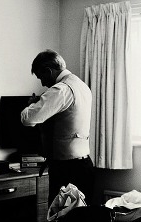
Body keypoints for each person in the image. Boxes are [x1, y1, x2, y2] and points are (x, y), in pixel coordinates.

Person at [21, 50, 95, 207]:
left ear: (48, 71)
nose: (42, 84)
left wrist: (32, 105)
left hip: (66, 169)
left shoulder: (61, 90)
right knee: (82, 221)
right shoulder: (82, 86)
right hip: (84, 165)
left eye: (41, 77)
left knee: (59, 220)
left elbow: (28, 119)